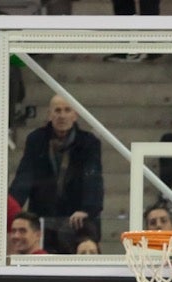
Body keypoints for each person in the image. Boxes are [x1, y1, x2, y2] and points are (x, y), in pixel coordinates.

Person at [11, 95, 105, 240]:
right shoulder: (36, 140)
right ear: (49, 115)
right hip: (43, 214)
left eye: (67, 110)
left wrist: (88, 209)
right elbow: (24, 176)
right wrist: (12, 208)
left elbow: (93, 177)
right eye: (57, 110)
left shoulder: (89, 142)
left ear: (75, 115)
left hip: (76, 218)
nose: (62, 116)